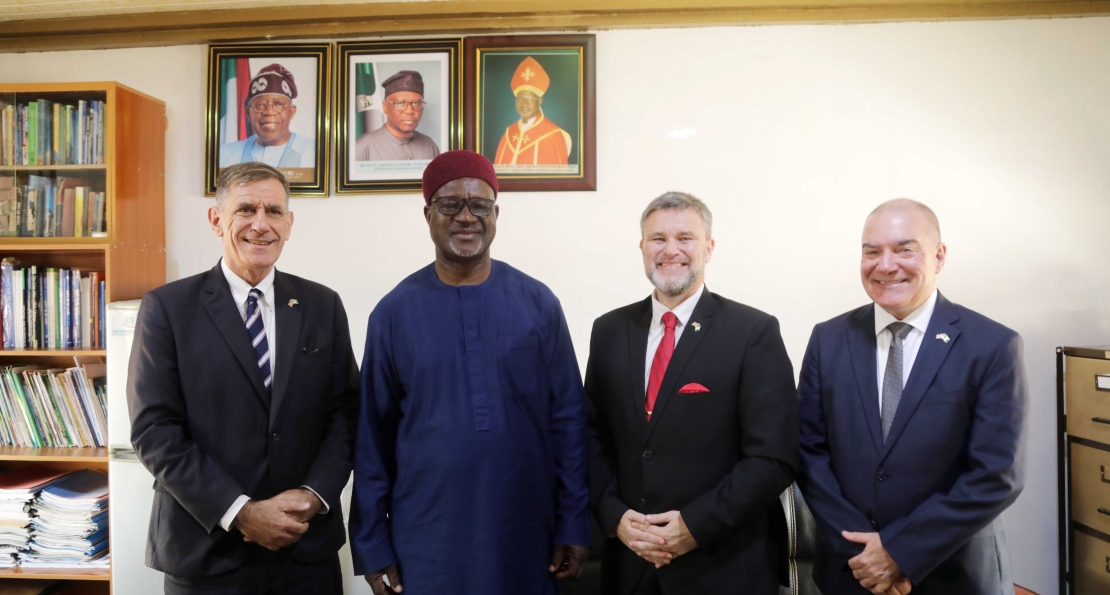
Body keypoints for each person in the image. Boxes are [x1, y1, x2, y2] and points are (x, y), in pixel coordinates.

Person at [349, 150, 590, 595]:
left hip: (524, 529)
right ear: (428, 215)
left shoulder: (539, 305)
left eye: (479, 205)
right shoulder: (393, 314)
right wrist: (371, 543)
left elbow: (569, 423)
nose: (466, 217)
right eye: (449, 205)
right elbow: (371, 441)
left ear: (496, 214)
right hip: (427, 539)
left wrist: (574, 521)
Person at [127, 162, 359, 594]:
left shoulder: (322, 305)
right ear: (216, 220)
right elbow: (154, 429)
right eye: (246, 209)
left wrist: (313, 495)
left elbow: (345, 412)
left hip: (305, 551)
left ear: (289, 224)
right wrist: (241, 511)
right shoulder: (168, 308)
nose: (260, 224)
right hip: (207, 550)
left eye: (274, 212)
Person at [796, 199, 1027, 595]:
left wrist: (900, 553)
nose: (886, 265)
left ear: (938, 257)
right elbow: (808, 453)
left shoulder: (992, 345)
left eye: (905, 249)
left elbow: (997, 474)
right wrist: (863, 553)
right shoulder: (828, 340)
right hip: (850, 571)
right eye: (872, 251)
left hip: (954, 575)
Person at [586, 192, 798, 595]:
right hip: (630, 567)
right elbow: (591, 436)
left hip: (724, 566)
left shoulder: (752, 332)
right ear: (642, 247)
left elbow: (774, 458)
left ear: (709, 248)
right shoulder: (609, 331)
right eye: (657, 239)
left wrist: (694, 527)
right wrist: (615, 516)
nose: (670, 251)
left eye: (685, 238)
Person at [220, 64, 316, 169]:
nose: (269, 112)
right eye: (260, 105)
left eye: (279, 104)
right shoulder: (224, 155)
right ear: (248, 113)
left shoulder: (315, 151)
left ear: (291, 112)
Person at [493, 57, 571, 167]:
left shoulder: (554, 136)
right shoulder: (508, 135)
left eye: (529, 100)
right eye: (520, 99)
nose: (524, 104)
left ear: (539, 101)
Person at [355, 70, 440, 161]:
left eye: (416, 103)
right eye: (400, 103)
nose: (410, 111)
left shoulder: (430, 146)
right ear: (385, 107)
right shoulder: (363, 147)